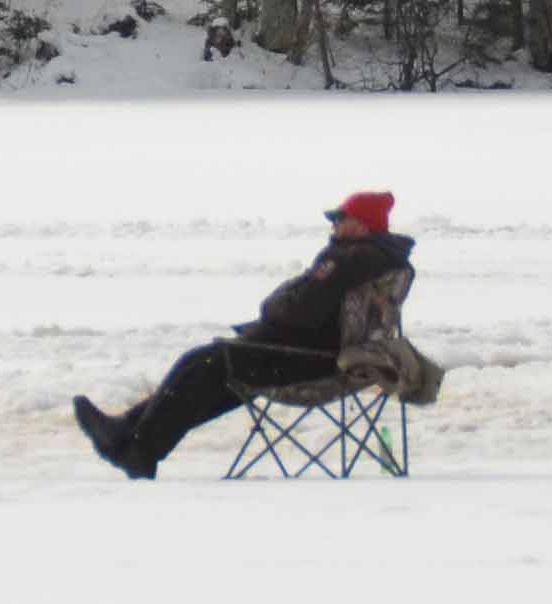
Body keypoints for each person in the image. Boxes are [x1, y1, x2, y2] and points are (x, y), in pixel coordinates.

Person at [75, 189, 421, 479]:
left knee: (204, 363)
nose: (334, 224)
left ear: (361, 226)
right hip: (318, 353)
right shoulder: (376, 258)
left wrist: (273, 305)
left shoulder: (349, 260)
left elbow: (300, 310)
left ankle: (140, 447)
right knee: (211, 373)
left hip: (311, 360)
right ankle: (130, 439)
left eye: (340, 218)